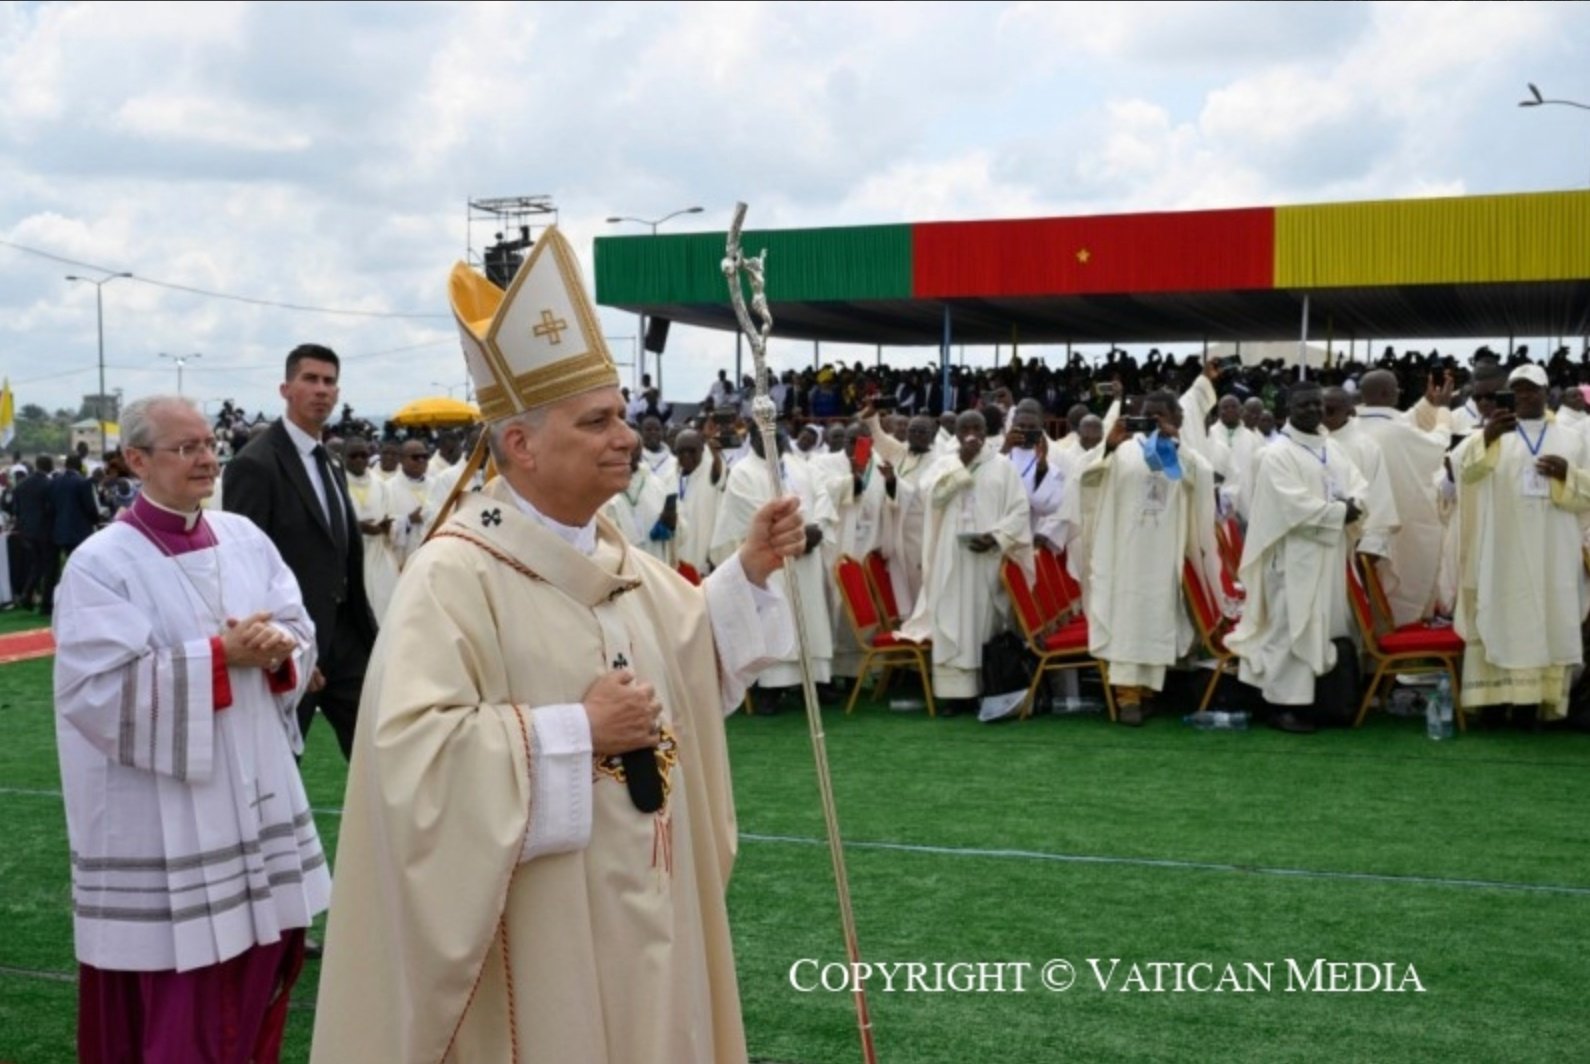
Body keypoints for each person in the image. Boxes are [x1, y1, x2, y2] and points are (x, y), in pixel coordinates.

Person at [312, 229, 804, 1063]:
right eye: (598, 420)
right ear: (520, 444)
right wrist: (572, 733)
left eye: (622, 415)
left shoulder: (616, 558)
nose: (628, 436)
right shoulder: (454, 577)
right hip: (541, 932)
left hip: (650, 897)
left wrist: (747, 573)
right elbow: (408, 761)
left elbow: (687, 653)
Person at [53, 395, 328, 1063]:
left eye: (210, 444)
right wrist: (217, 658)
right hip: (166, 813)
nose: (207, 458)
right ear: (136, 460)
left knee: (260, 964)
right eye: (186, 448)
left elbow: (298, 627)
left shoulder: (244, 537)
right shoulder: (100, 563)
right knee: (181, 992)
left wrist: (279, 648)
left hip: (253, 787)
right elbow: (95, 692)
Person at [223, 343, 377, 761]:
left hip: (347, 640)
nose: (321, 390)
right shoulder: (255, 464)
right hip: (292, 642)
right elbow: (243, 568)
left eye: (329, 381)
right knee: (277, 770)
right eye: (310, 379)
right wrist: (287, 650)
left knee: (382, 759)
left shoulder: (330, 462)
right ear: (286, 388)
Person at [1226, 382, 1369, 733]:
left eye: (1317, 405)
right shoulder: (1277, 453)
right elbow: (1292, 503)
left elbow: (1358, 484)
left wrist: (1356, 504)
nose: (1312, 411)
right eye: (1304, 405)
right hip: (1291, 557)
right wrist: (1340, 512)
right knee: (1288, 628)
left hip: (1328, 555)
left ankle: (1317, 702)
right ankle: (1282, 706)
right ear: (1288, 407)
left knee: (1323, 624)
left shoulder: (1332, 449)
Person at [1453, 363, 1590, 726]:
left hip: (1554, 548)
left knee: (1549, 611)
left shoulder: (1573, 438)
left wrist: (1568, 475)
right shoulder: (1495, 431)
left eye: (1533, 389)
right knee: (1501, 611)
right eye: (1519, 390)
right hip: (1502, 547)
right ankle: (1496, 703)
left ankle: (1535, 704)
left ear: (1548, 393)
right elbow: (1463, 472)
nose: (1525, 396)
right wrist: (1486, 438)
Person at [1081, 391, 1225, 725]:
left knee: (1155, 618)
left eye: (1162, 415)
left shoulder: (1179, 452)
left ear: (1176, 419)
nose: (1155, 421)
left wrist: (1179, 444)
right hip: (1125, 554)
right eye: (1148, 414)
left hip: (1163, 553)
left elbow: (1202, 478)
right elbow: (1086, 478)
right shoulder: (1124, 450)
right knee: (1127, 619)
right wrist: (1110, 446)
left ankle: (1147, 693)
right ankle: (1126, 697)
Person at [898, 410, 1032, 714]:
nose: (972, 432)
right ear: (956, 433)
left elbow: (1019, 510)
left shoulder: (1003, 466)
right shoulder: (942, 464)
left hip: (986, 557)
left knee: (982, 623)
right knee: (950, 617)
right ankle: (954, 694)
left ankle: (986, 688)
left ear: (987, 431)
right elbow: (934, 498)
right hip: (951, 556)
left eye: (977, 427)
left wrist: (997, 536)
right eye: (965, 428)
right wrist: (961, 463)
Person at [712, 422, 835, 711]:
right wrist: (800, 533)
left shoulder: (800, 466)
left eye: (777, 436)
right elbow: (752, 514)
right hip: (774, 558)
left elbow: (823, 497)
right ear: (753, 439)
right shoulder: (743, 472)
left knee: (809, 615)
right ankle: (771, 687)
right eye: (764, 436)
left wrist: (817, 528)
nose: (773, 442)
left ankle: (814, 681)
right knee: (775, 613)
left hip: (807, 557)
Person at [342, 437, 401, 621]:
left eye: (364, 455)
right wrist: (357, 527)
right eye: (353, 455)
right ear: (343, 457)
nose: (359, 459)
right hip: (350, 556)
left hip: (379, 553)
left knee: (386, 606)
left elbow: (393, 515)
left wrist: (387, 526)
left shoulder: (381, 485)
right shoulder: (336, 483)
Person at [602, 438, 678, 564]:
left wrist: (672, 523)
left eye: (634, 449)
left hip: (654, 559)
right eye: (624, 449)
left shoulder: (657, 485)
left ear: (641, 451)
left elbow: (677, 529)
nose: (629, 454)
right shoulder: (604, 484)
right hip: (622, 561)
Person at [672, 428, 724, 576]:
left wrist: (717, 457)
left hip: (705, 559)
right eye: (681, 451)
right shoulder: (672, 474)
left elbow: (719, 476)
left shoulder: (710, 471)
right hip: (678, 559)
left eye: (691, 451)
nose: (686, 456)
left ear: (702, 450)